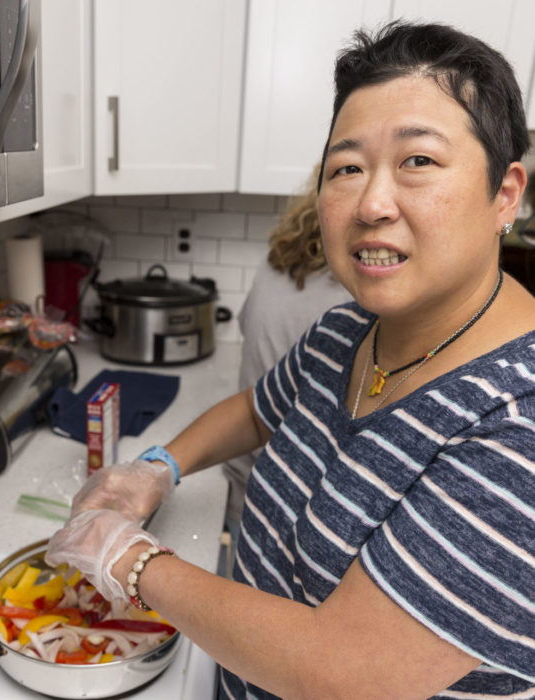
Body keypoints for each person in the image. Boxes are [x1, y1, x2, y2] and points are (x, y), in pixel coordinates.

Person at [45, 21, 535, 699]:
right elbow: (255, 409)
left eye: (418, 161)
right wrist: (156, 468)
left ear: (505, 193)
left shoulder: (518, 424)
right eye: (346, 168)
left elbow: (341, 670)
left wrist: (125, 558)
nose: (371, 202)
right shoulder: (348, 329)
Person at [223, 165, 352, 544]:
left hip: (243, 468)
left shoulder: (277, 256)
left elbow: (248, 325)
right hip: (295, 495)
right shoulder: (353, 292)